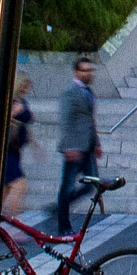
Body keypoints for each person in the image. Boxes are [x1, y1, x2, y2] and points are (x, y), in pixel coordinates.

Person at [52, 57, 102, 236]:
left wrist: (96, 143)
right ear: (76, 72)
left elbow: (89, 120)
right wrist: (68, 147)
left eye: (91, 70)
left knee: (91, 184)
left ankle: (58, 208)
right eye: (85, 70)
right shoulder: (70, 92)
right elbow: (65, 120)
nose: (89, 74)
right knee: (67, 187)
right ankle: (63, 226)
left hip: (87, 147)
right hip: (74, 148)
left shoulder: (89, 92)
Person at [0, 73, 35, 218]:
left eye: (28, 86)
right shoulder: (10, 101)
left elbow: (26, 123)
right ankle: (10, 222)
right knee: (19, 185)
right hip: (7, 150)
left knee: (6, 189)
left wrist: (35, 146)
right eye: (25, 85)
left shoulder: (21, 101)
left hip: (15, 149)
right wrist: (15, 113)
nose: (27, 88)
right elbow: (1, 119)